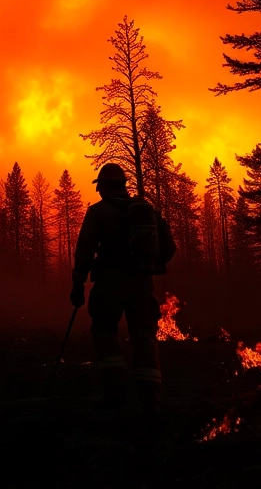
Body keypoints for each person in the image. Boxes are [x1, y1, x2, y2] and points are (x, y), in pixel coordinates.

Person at [69, 163, 176, 418]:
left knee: (104, 331)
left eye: (100, 186)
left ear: (105, 186)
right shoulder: (145, 210)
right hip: (141, 284)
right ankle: (150, 400)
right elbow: (169, 248)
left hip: (109, 283)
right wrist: (151, 266)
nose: (98, 192)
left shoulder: (98, 212)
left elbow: (84, 250)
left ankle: (114, 393)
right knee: (144, 336)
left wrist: (77, 284)